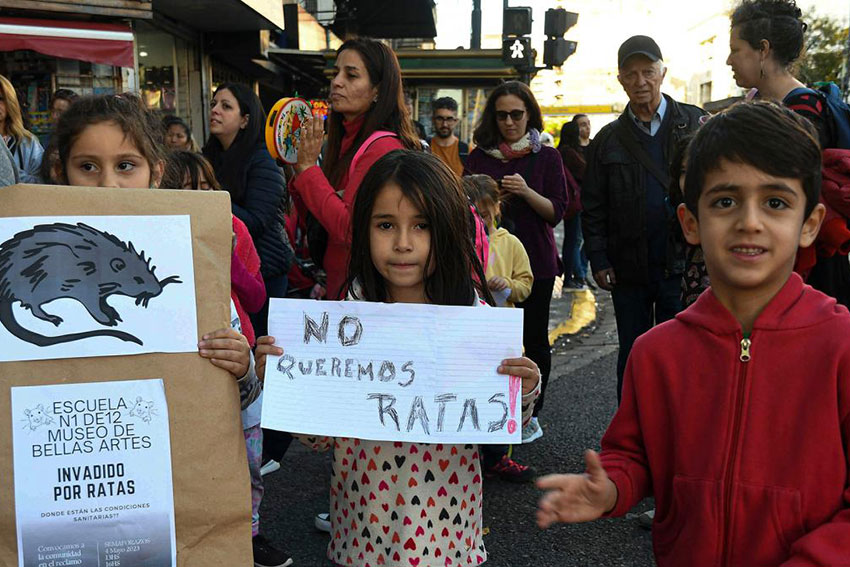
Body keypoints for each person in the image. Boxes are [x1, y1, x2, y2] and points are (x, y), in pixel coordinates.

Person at [536, 100, 850, 566]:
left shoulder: (840, 345)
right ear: (690, 222)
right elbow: (633, 452)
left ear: (810, 225)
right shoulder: (657, 352)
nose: (749, 221)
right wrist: (613, 487)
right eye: (725, 201)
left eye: (776, 202)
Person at [255, 150, 541, 567]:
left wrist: (524, 387)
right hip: (361, 534)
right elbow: (320, 439)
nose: (403, 242)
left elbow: (498, 429)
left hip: (447, 536)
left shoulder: (473, 322)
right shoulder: (344, 324)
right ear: (364, 229)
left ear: (445, 230)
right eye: (386, 225)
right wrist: (282, 380)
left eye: (421, 226)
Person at [161, 150, 293, 567]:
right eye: (185, 192)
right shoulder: (155, 233)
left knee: (248, 459)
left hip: (240, 365)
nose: (197, 199)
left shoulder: (234, 227)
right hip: (189, 363)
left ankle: (249, 533)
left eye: (204, 190)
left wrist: (227, 254)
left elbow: (255, 297)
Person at [581, 36, 706, 401]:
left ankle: (674, 433)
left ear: (663, 73)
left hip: (683, 263)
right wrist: (599, 259)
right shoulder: (608, 140)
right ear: (620, 80)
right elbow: (593, 206)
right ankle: (630, 437)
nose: (641, 81)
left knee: (678, 351)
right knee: (633, 352)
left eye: (648, 72)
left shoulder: (696, 123)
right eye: (631, 74)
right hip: (628, 266)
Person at [464, 81, 569, 443]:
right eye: (502, 115)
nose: (510, 122)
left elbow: (557, 211)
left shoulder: (547, 157)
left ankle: (529, 411)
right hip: (485, 265)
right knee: (484, 341)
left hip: (535, 263)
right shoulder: (479, 157)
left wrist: (525, 191)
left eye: (517, 114)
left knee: (534, 340)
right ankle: (489, 410)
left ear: (530, 114)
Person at [727, 0, 850, 307]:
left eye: (736, 49)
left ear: (763, 50)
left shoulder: (803, 111)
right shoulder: (767, 106)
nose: (729, 60)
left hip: (810, 263)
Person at [292, 37, 420, 299]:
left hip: (364, 298)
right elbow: (318, 222)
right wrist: (298, 171)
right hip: (342, 289)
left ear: (377, 91)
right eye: (336, 73)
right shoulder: (344, 143)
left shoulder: (383, 148)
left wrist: (307, 170)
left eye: (351, 75)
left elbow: (349, 229)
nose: (337, 82)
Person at [462, 173, 535, 482]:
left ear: (497, 208)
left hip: (501, 333)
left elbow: (526, 284)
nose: (480, 217)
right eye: (473, 211)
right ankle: (467, 453)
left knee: (501, 391)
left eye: (485, 210)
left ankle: (497, 455)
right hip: (468, 334)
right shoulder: (458, 242)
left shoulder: (510, 244)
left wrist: (509, 285)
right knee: (469, 390)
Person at [203, 83, 290, 337]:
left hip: (264, 271)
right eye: (213, 104)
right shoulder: (210, 156)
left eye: (226, 106)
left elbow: (257, 220)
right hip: (223, 267)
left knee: (258, 342)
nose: (215, 110)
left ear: (245, 120)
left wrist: (212, 200)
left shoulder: (263, 160)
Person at [558, 117, 592, 290]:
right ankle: (577, 275)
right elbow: (586, 171)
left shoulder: (564, 151)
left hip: (572, 201)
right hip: (576, 201)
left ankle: (577, 274)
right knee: (575, 239)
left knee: (573, 239)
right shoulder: (568, 152)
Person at [0, 74, 44, 183]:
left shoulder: (28, 142)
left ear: (10, 103)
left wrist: (8, 172)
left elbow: (42, 182)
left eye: (0, 99)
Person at [429, 96, 469, 177]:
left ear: (456, 121)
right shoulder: (423, 148)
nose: (444, 124)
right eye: (440, 119)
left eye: (449, 119)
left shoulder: (466, 151)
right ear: (433, 120)